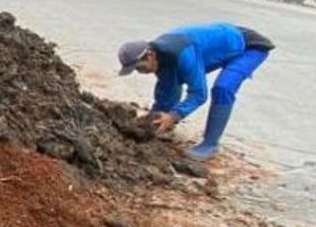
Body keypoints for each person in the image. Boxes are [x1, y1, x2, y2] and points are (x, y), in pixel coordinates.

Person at [117, 23, 274, 161]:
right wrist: (153, 121)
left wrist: (173, 116)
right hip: (224, 43)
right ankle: (165, 126)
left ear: (150, 55)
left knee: (223, 88)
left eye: (139, 67)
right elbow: (167, 88)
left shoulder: (181, 53)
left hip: (249, 47)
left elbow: (198, 94)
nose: (139, 72)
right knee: (169, 81)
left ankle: (210, 144)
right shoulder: (161, 56)